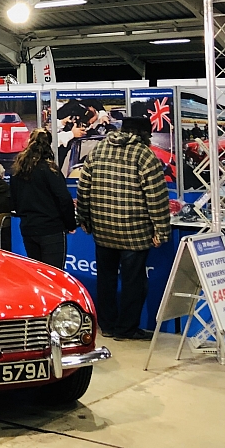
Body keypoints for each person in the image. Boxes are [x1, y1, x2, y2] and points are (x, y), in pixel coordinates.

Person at [75, 116, 170, 341]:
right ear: (144, 135)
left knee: (106, 281)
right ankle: (126, 329)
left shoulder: (99, 150)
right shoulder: (145, 155)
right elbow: (156, 197)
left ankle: (107, 325)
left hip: (103, 230)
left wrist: (84, 219)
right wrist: (161, 230)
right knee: (133, 283)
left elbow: (83, 188)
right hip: (134, 233)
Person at [9, 129, 76, 268]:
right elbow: (63, 198)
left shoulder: (18, 170)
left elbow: (14, 199)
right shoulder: (50, 170)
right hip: (51, 229)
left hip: (28, 227)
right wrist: (70, 224)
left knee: (37, 273)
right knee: (54, 274)